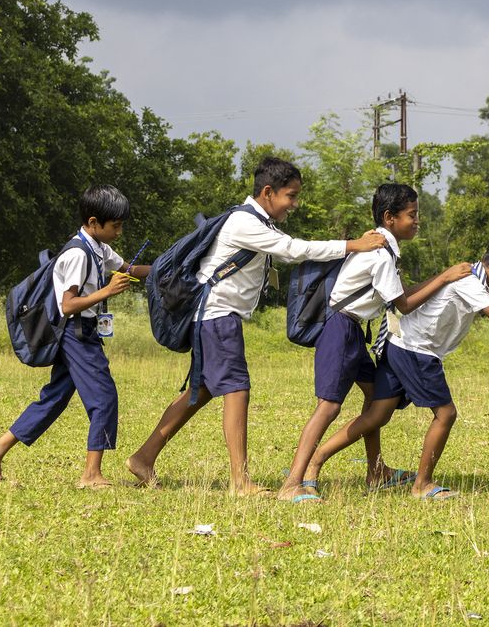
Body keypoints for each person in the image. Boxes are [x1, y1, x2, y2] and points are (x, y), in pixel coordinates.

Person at [125, 157, 386, 495]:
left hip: (217, 317)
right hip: (218, 315)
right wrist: (353, 245)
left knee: (200, 392)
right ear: (268, 192)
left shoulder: (257, 222)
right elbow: (292, 250)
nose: (294, 204)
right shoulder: (243, 223)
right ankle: (240, 480)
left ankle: (144, 458)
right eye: (290, 196)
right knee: (237, 389)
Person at [302, 233, 489, 500]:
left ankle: (316, 460)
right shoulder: (469, 282)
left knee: (377, 415)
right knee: (445, 415)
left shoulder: (466, 275)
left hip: (398, 344)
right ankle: (422, 484)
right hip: (417, 352)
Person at [278, 183, 472, 503]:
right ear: (389, 217)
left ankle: (376, 471)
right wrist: (445, 277)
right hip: (341, 330)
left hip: (354, 331)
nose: (417, 220)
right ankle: (296, 479)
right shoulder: (380, 252)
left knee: (374, 397)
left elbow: (401, 294)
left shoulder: (385, 249)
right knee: (329, 406)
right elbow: (404, 305)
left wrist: (441, 280)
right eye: (412, 215)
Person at [0, 185, 150, 488]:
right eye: (115, 226)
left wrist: (167, 268)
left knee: (53, 399)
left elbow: (129, 268)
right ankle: (91, 475)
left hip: (82, 332)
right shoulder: (78, 254)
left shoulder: (98, 247)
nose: (119, 232)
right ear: (94, 223)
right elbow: (68, 305)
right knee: (104, 398)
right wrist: (107, 290)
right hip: (75, 334)